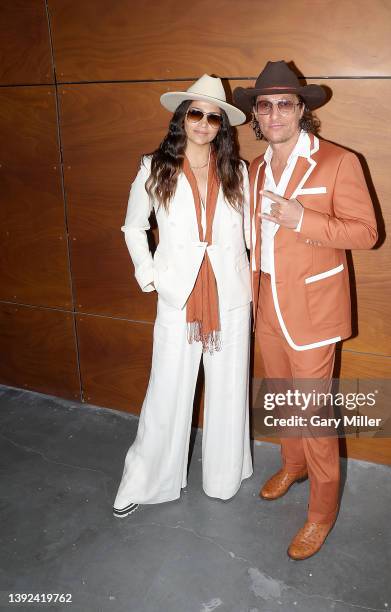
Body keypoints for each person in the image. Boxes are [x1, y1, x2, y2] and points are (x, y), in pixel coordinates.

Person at [233, 61, 378, 559]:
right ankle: (291, 465)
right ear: (256, 114)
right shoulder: (253, 169)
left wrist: (303, 218)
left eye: (285, 104)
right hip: (265, 298)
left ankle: (321, 512)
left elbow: (366, 233)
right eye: (265, 105)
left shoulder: (338, 161)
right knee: (279, 395)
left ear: (302, 110)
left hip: (313, 305)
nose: (275, 113)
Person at [113, 74, 253, 518]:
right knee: (167, 391)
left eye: (214, 117)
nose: (204, 123)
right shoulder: (153, 167)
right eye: (196, 113)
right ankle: (145, 481)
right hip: (179, 297)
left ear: (221, 127)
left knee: (230, 388)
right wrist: (150, 274)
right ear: (181, 117)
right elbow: (133, 227)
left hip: (230, 296)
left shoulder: (239, 172)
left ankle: (224, 477)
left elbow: (250, 234)